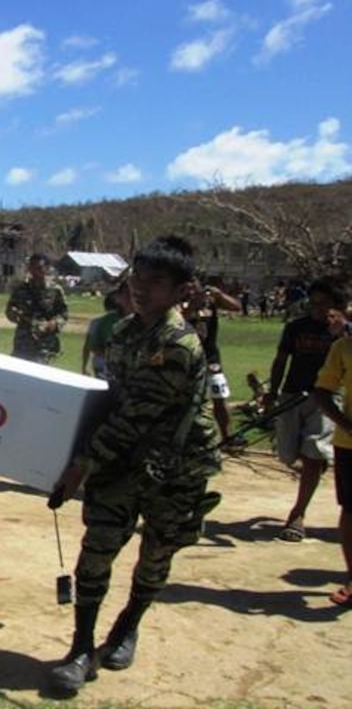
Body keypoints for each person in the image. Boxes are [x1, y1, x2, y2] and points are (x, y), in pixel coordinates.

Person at [46, 236, 220, 694]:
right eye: (136, 278)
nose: (141, 288)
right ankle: (81, 648)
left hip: (174, 469)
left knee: (156, 555)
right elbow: (109, 403)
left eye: (155, 281)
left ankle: (127, 624)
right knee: (96, 552)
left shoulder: (178, 344)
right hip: (121, 465)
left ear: (181, 289)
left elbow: (135, 416)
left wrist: (80, 465)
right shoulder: (122, 334)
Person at [266, 278, 349, 542]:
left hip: (326, 399)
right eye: (312, 304)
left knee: (312, 454)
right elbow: (281, 360)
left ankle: (297, 514)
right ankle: (316, 464)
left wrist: (344, 330)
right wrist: (272, 392)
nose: (317, 310)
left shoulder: (345, 334)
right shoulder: (296, 327)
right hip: (293, 394)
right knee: (288, 454)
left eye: (323, 304)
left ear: (338, 305)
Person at [313, 324, 352, 607]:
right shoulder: (344, 347)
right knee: (351, 511)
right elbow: (323, 392)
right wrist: (347, 425)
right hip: (349, 444)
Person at [181, 275, 242, 447]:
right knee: (189, 398)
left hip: (211, 356)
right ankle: (189, 437)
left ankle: (227, 436)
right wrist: (193, 305)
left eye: (195, 283)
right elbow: (178, 320)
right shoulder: (177, 301)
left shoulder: (210, 300)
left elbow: (236, 307)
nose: (192, 288)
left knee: (219, 393)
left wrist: (219, 295)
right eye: (188, 285)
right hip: (186, 356)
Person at [5, 253, 68, 364]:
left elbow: (63, 313)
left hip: (44, 342)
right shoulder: (21, 289)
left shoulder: (56, 290)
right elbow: (10, 308)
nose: (34, 271)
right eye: (31, 267)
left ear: (47, 268)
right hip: (23, 342)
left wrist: (54, 323)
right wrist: (12, 314)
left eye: (39, 268)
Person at [80, 284, 128, 379]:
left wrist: (84, 367)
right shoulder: (127, 321)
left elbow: (88, 346)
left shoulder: (97, 322)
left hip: (100, 363)